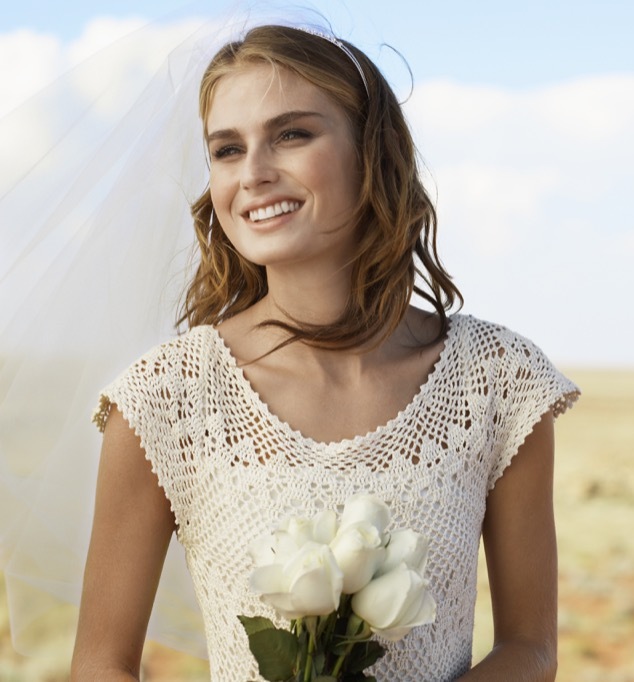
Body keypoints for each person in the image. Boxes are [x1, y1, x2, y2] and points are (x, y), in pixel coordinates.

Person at [62, 20, 577, 682]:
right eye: (227, 149)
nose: (253, 173)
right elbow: (99, 665)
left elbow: (531, 648)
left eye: (292, 135)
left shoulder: (498, 380)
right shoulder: (165, 398)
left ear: (372, 151)